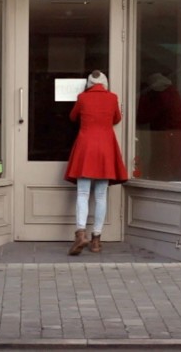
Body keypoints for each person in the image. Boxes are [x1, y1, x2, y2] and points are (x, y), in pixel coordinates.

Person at [64, 70, 128, 255]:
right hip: (106, 147)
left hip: (86, 147)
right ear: (105, 83)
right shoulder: (112, 97)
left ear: (89, 83)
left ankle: (80, 233)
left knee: (83, 193)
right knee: (101, 195)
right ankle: (96, 241)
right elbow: (117, 118)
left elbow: (72, 117)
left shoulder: (82, 97)